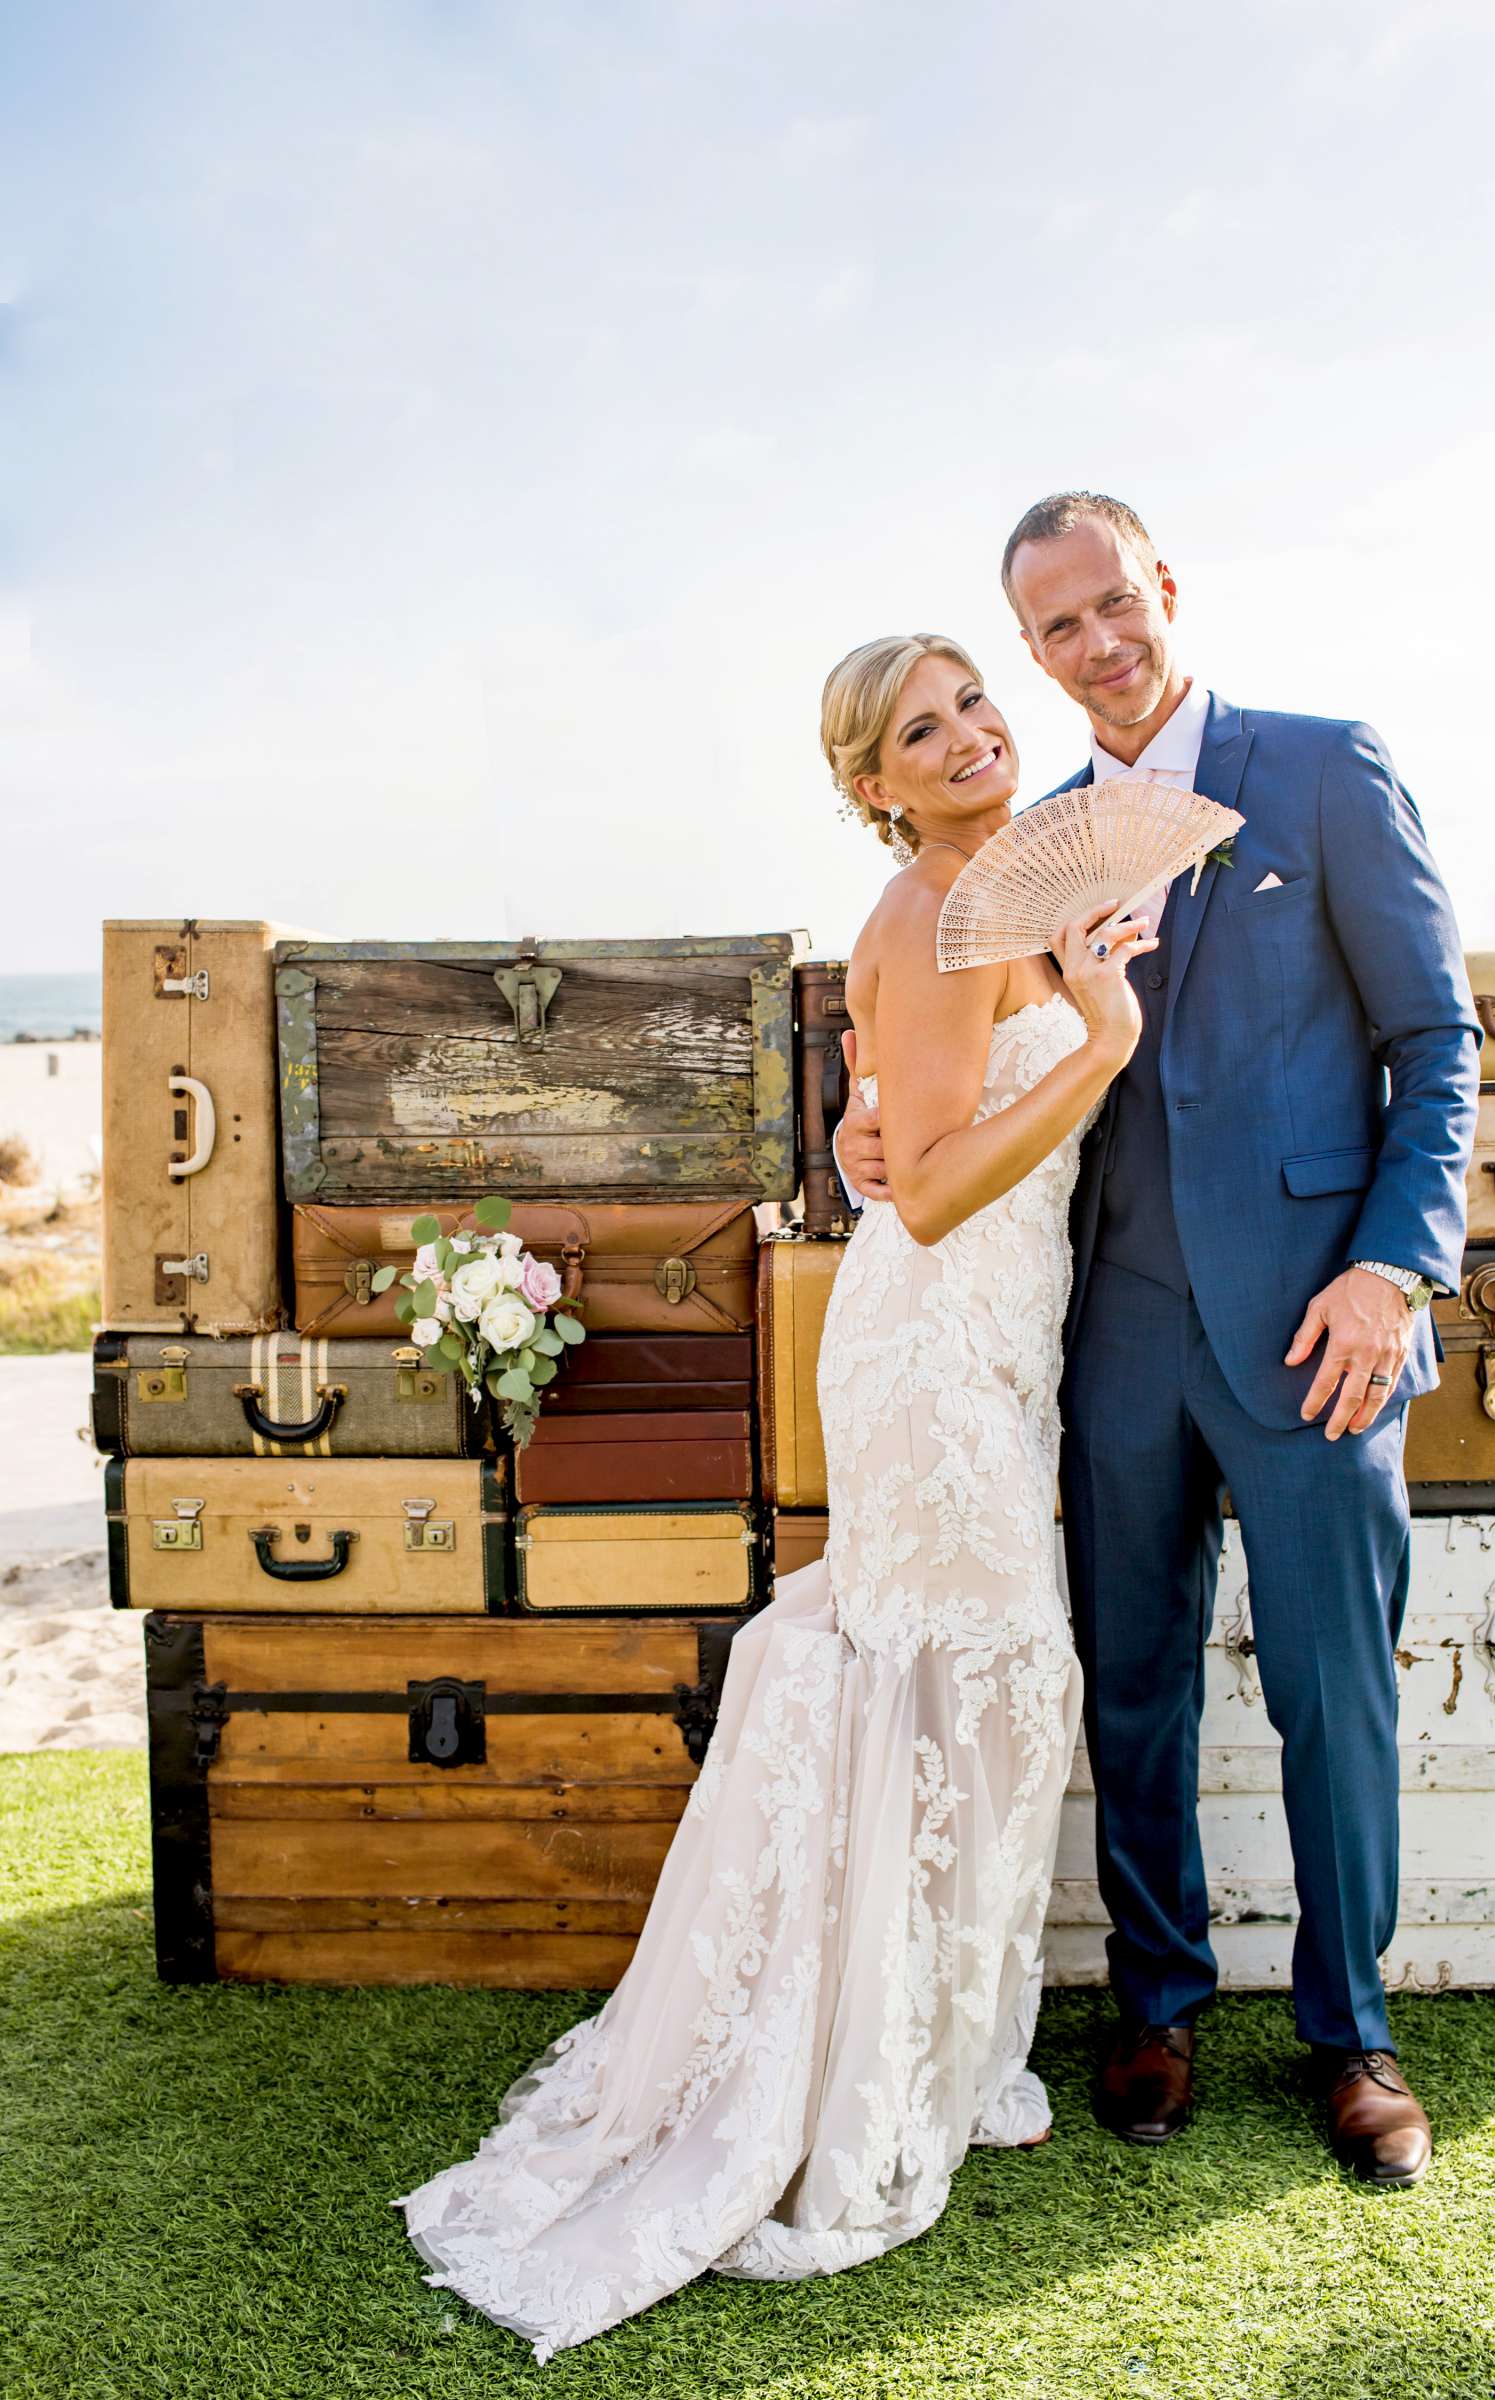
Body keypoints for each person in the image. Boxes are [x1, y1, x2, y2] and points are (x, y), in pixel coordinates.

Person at [397, 632, 1148, 2359]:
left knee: (973, 1698)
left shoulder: (1018, 891)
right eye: (918, 730)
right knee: (952, 1688)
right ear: (867, 787)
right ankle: (847, 2083)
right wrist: (1101, 1040)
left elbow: (899, 1128)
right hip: (933, 1359)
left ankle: (938, 2060)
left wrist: (880, 1116)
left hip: (996, 1353)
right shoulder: (939, 913)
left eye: (973, 705)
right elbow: (942, 1195)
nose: (967, 738)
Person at [836, 494, 1480, 2187]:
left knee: (1337, 1686)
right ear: (1035, 656)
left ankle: (1352, 2035)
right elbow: (939, 1051)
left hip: (1313, 1323)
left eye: (1114, 605)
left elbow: (1438, 1041)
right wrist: (862, 1129)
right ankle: (1158, 1998)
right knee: (1130, 1682)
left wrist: (1394, 1272)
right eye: (1057, 630)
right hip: (1108, 1325)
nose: (1096, 646)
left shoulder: (1325, 766)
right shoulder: (1023, 837)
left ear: (1164, 589)